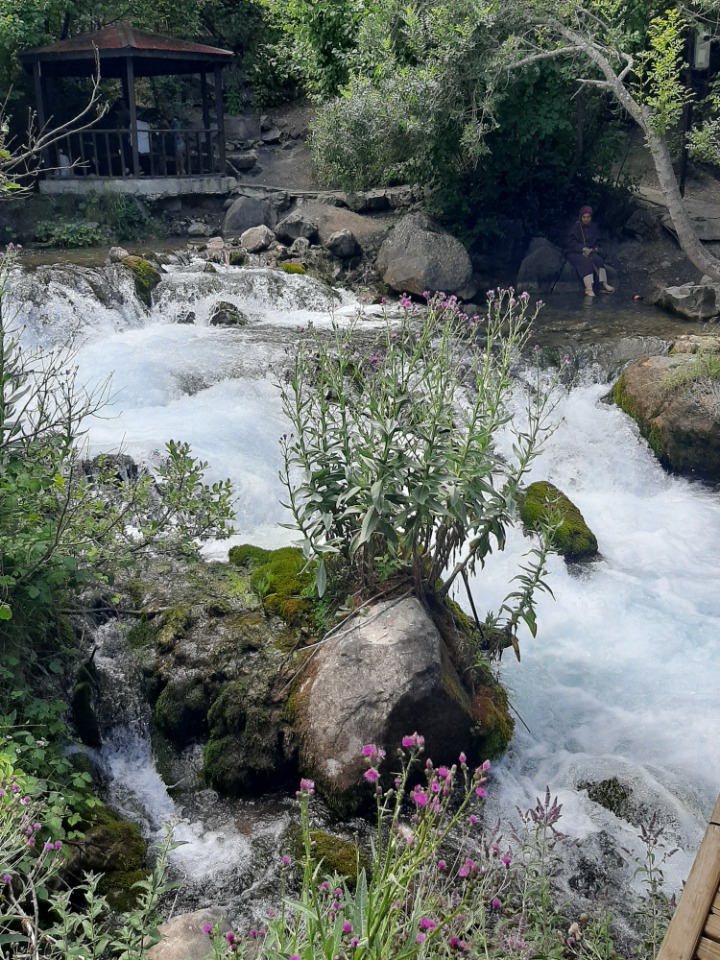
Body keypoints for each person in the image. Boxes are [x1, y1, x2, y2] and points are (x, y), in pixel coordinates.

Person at [566, 206, 614, 297]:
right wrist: (582, 248)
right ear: (581, 217)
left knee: (598, 260)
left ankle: (604, 284)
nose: (586, 219)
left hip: (590, 251)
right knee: (585, 262)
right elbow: (570, 243)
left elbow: (598, 242)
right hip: (575, 252)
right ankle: (589, 288)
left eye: (588, 217)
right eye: (584, 217)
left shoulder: (593, 227)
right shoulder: (575, 227)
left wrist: (592, 249)